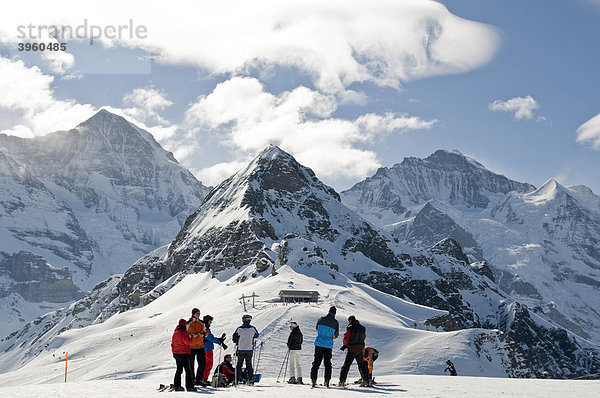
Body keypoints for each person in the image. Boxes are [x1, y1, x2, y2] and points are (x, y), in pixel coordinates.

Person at [310, 306, 339, 388]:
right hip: (328, 345)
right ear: (335, 313)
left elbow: (317, 329)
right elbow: (335, 335)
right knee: (327, 364)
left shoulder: (321, 319)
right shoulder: (336, 322)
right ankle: (327, 381)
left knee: (316, 363)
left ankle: (313, 380)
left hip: (319, 344)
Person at [338, 315, 370, 387]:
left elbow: (346, 338)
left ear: (350, 320)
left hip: (352, 349)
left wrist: (345, 345)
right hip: (360, 349)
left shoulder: (350, 328)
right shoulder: (362, 328)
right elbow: (364, 337)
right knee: (362, 365)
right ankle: (367, 381)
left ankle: (342, 382)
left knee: (346, 366)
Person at [233, 314, 259, 385]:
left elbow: (234, 338)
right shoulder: (252, 328)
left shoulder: (239, 329)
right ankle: (250, 379)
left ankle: (236, 380)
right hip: (249, 348)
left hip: (241, 348)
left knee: (239, 365)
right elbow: (257, 335)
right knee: (249, 364)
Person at [171, 318, 196, 392]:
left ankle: (177, 385)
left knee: (179, 370)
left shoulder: (175, 332)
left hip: (176, 353)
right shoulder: (184, 333)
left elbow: (173, 343)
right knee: (188, 370)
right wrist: (191, 337)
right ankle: (189, 386)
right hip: (184, 354)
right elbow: (188, 342)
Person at [203, 315, 228, 385]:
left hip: (205, 348)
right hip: (207, 348)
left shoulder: (204, 328)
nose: (211, 323)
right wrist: (219, 341)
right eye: (210, 321)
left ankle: (204, 378)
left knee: (206, 364)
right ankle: (204, 379)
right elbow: (210, 338)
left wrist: (218, 339)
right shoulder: (205, 329)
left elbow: (211, 337)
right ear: (207, 321)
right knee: (208, 364)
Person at [187, 308, 207, 386]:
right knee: (191, 365)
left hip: (200, 346)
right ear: (193, 314)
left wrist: (203, 335)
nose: (199, 315)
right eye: (197, 313)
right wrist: (191, 336)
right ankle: (192, 380)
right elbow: (185, 333)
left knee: (202, 364)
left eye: (199, 313)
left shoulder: (202, 323)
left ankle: (198, 379)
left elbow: (206, 332)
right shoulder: (188, 323)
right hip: (191, 347)